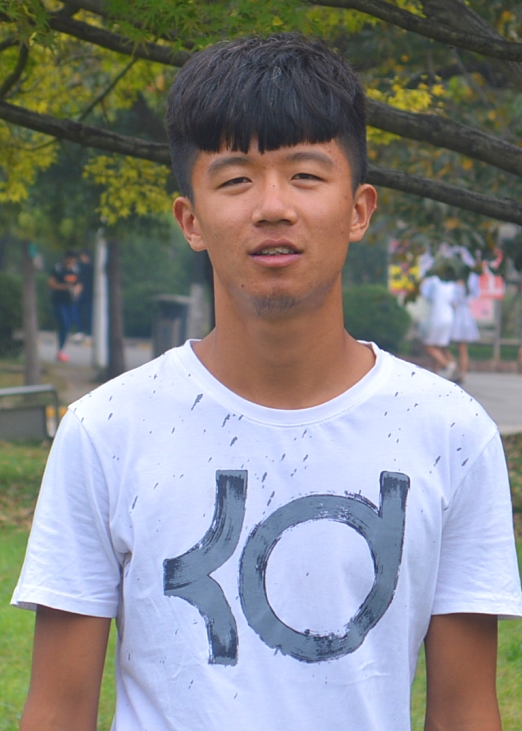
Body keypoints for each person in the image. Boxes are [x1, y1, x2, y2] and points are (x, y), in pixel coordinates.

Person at [13, 34, 522, 731]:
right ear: (190, 219)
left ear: (359, 209)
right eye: (235, 180)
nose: (273, 206)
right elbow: (56, 710)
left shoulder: (451, 433)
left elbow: (466, 710)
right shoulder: (105, 431)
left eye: (306, 175)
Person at [420, 259, 458, 378]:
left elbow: (425, 294)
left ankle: (447, 365)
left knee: (428, 347)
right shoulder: (452, 285)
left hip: (436, 317)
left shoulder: (433, 281)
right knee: (438, 347)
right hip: (449, 317)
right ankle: (435, 374)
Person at [48, 249, 82, 362]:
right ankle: (61, 349)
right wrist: (64, 287)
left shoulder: (75, 270)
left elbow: (79, 284)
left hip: (70, 302)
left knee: (68, 325)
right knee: (63, 323)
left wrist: (76, 291)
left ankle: (61, 349)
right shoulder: (58, 269)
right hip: (59, 301)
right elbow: (51, 283)